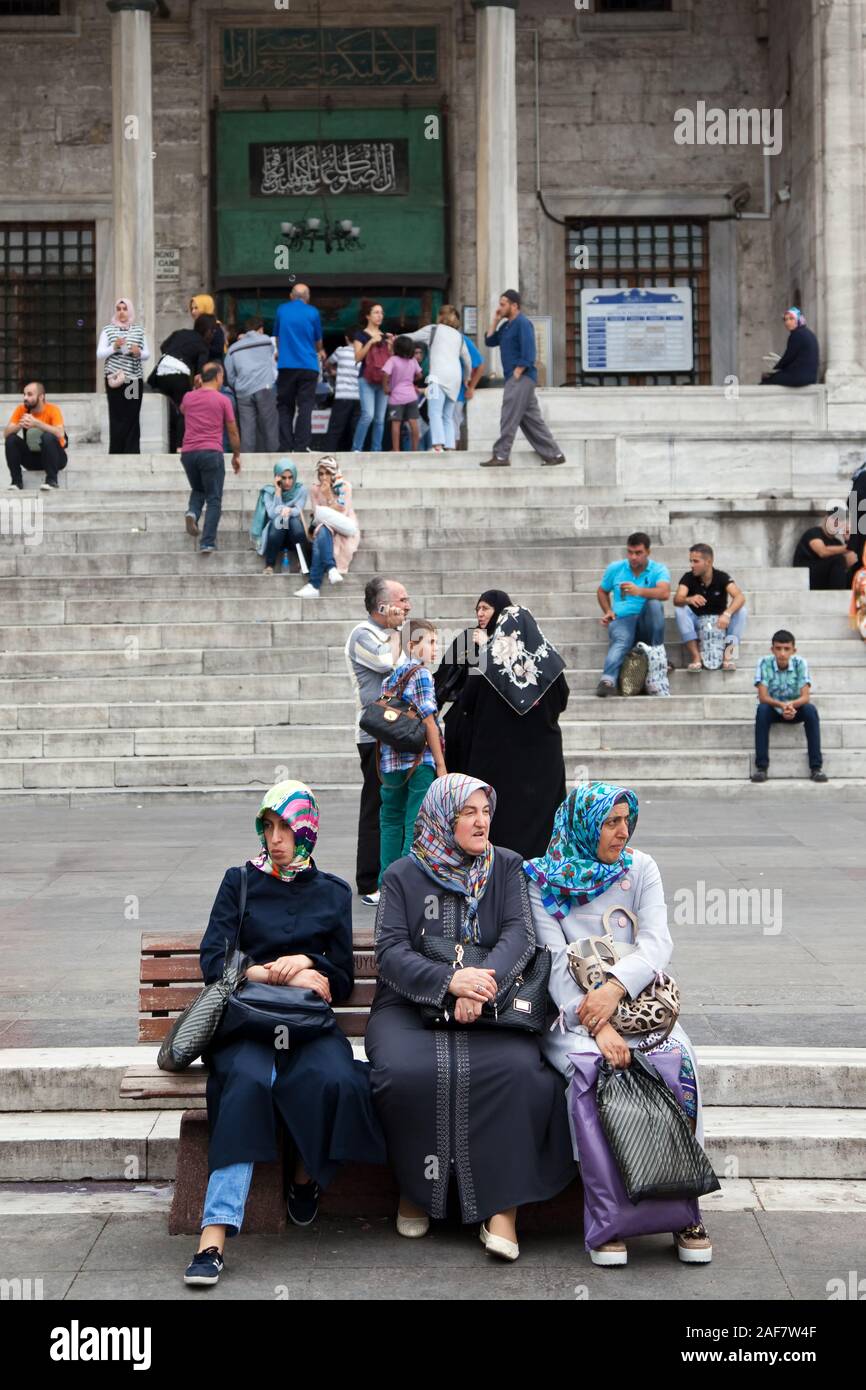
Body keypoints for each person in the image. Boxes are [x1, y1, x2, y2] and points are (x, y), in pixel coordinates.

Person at [183, 779, 386, 1287]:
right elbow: (213, 958)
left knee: (337, 1079)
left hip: (307, 1026)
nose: (275, 839)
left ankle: (304, 1176)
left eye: (286, 828)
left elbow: (339, 977)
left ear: (307, 831)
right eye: (268, 826)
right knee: (248, 1084)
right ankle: (214, 1234)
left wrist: (308, 962)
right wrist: (266, 970)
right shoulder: (240, 881)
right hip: (249, 1024)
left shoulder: (333, 892)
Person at [366, 774, 574, 1258]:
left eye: (485, 811)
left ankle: (503, 1208)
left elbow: (520, 936)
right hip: (409, 1004)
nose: (481, 822)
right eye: (468, 813)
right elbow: (390, 952)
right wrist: (447, 983)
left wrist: (478, 983)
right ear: (444, 818)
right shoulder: (402, 874)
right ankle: (419, 1189)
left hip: (495, 1004)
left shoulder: (507, 866)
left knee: (520, 1073)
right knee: (404, 1071)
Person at [525, 782, 713, 1267]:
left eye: (627, 820)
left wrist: (614, 991)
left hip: (635, 1004)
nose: (622, 832)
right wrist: (598, 1026)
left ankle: (683, 1206)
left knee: (679, 1064)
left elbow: (656, 943)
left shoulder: (640, 867)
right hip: (573, 1016)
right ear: (586, 826)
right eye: (611, 822)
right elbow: (550, 960)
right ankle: (610, 1211)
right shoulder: (542, 880)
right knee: (595, 1072)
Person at [451, 598, 569, 860]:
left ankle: (497, 868)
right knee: (541, 815)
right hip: (542, 760)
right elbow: (562, 700)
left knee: (499, 815)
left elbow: (466, 703)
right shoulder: (549, 663)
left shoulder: (485, 662)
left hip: (494, 757)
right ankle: (540, 869)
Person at [344, 577, 411, 905]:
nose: (407, 606)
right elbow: (389, 664)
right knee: (376, 805)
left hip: (397, 734)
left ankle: (395, 875)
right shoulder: (363, 634)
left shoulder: (393, 635)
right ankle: (369, 880)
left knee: (394, 805)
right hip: (374, 735)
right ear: (383, 606)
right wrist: (397, 633)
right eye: (402, 599)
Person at [378, 619, 447, 881]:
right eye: (429, 642)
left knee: (391, 821)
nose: (434, 648)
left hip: (390, 761)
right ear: (411, 645)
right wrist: (440, 764)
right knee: (415, 820)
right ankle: (408, 881)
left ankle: (388, 881)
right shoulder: (421, 674)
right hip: (419, 761)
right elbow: (428, 720)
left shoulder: (390, 678)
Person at [480, 289, 566, 468]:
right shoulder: (506, 326)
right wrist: (495, 320)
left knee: (509, 415)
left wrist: (518, 371)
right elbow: (489, 341)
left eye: (503, 304)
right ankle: (554, 454)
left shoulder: (523, 323)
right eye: (500, 304)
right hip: (517, 377)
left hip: (521, 377)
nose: (500, 307)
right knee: (531, 421)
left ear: (514, 305)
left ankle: (502, 456)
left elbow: (529, 351)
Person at [433, 588, 511, 774]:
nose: (480, 614)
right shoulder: (468, 637)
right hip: (464, 721)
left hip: (495, 725)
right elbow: (443, 675)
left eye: (486, 608)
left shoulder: (511, 641)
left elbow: (504, 680)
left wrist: (488, 647)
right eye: (477, 609)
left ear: (500, 610)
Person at [596, 533, 671, 697]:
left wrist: (639, 591)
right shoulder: (616, 568)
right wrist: (608, 611)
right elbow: (602, 591)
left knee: (655, 604)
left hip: (646, 621)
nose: (633, 557)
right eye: (630, 552)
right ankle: (607, 680)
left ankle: (658, 658)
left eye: (638, 553)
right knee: (622, 641)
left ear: (648, 552)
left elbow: (665, 593)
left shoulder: (658, 569)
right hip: (622, 619)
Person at [180, 363, 241, 555]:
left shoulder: (188, 397)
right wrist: (236, 455)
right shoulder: (223, 400)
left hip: (188, 453)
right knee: (214, 498)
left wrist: (195, 388)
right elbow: (232, 430)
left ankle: (192, 513)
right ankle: (207, 542)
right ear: (218, 377)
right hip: (211, 452)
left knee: (199, 488)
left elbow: (183, 410)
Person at [751, 630, 828, 783]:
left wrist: (791, 706)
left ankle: (816, 768)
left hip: (796, 709)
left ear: (794, 650)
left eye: (786, 649)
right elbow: (763, 697)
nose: (782, 653)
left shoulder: (800, 663)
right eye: (778, 648)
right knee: (762, 710)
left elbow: (805, 697)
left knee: (810, 710)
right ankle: (761, 768)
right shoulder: (763, 663)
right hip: (773, 708)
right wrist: (782, 705)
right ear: (772, 649)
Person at [673, 543, 748, 671]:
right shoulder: (688, 577)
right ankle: (696, 658)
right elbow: (677, 599)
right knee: (679, 609)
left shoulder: (721, 577)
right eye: (690, 561)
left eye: (696, 561)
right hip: (697, 621)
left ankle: (728, 658)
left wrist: (727, 614)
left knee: (742, 611)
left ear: (708, 562)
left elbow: (740, 597)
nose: (692, 565)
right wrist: (689, 599)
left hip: (720, 622)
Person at [407, 306, 472, 453]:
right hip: (455, 379)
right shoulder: (459, 336)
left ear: (440, 316)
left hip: (437, 378)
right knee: (447, 416)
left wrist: (395, 337)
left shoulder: (434, 330)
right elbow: (467, 361)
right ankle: (449, 447)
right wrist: (466, 379)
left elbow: (413, 336)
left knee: (434, 412)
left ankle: (437, 446)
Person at [295, 455, 359, 598]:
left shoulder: (344, 487)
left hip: (344, 527)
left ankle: (314, 584)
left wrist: (328, 495)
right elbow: (318, 514)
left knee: (322, 534)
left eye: (328, 473)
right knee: (323, 530)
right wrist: (322, 494)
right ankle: (331, 569)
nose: (324, 477)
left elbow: (343, 511)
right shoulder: (314, 489)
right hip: (325, 528)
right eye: (321, 474)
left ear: (334, 473)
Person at [153, 313, 214, 453]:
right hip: (178, 375)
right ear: (208, 330)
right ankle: (180, 447)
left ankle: (170, 447)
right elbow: (199, 374)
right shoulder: (203, 345)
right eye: (213, 331)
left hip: (161, 373)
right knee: (183, 411)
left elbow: (163, 346)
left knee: (170, 412)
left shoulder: (180, 332)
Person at [274, 284, 324, 452]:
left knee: (284, 406)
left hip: (286, 365)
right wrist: (319, 350)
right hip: (308, 365)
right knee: (305, 406)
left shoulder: (281, 310)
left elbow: (278, 337)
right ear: (307, 297)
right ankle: (302, 446)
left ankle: (286, 445)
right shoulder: (313, 312)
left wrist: (283, 353)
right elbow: (318, 341)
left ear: (291, 296)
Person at [96, 296, 150, 454]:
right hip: (115, 380)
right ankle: (117, 451)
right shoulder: (108, 330)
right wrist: (114, 347)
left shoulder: (139, 330)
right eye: (118, 309)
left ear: (130, 311)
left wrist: (138, 352)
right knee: (117, 414)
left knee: (132, 414)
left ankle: (132, 451)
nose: (121, 313)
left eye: (125, 309)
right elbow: (100, 354)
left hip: (133, 380)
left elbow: (147, 354)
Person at [224, 316, 279, 453]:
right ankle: (274, 457)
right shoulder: (266, 341)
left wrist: (236, 385)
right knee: (269, 425)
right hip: (265, 386)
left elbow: (229, 374)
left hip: (243, 391)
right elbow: (273, 355)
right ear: (260, 329)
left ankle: (248, 460)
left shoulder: (232, 349)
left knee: (247, 428)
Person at [4, 381, 67, 491]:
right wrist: (20, 424)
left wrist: (37, 423)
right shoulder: (21, 410)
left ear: (41, 396)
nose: (25, 398)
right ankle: (16, 482)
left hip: (57, 459)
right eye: (24, 394)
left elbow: (60, 433)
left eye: (29, 394)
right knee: (11, 439)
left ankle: (52, 481)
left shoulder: (52, 410)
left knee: (48, 436)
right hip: (32, 460)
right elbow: (6, 434)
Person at [351, 301, 393, 452]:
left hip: (383, 380)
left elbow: (391, 361)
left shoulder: (385, 336)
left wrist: (391, 346)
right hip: (366, 379)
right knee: (367, 415)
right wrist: (370, 342)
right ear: (367, 316)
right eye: (376, 312)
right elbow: (357, 358)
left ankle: (377, 450)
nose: (379, 315)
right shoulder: (360, 335)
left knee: (380, 419)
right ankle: (356, 448)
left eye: (381, 312)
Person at [259, 461, 309, 575]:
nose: (287, 482)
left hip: (294, 537)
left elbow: (298, 510)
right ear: (277, 477)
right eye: (284, 478)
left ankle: (303, 563)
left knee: (294, 522)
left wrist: (289, 510)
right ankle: (270, 564)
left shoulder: (300, 490)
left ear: (295, 476)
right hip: (276, 537)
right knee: (279, 521)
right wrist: (278, 492)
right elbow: (272, 514)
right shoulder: (269, 492)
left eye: (290, 478)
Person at [793, 509, 860, 590]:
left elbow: (851, 561)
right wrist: (850, 546)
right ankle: (838, 596)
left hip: (825, 580)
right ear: (825, 519)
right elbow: (822, 552)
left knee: (854, 570)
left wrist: (848, 540)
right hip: (807, 576)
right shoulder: (814, 533)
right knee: (838, 560)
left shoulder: (837, 542)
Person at [382, 334, 424, 451]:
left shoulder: (393, 360)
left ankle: (396, 450)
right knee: (413, 422)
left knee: (396, 424)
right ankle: (415, 449)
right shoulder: (413, 361)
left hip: (396, 398)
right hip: (411, 396)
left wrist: (385, 387)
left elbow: (385, 374)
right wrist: (410, 380)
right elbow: (420, 375)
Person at [760, 307, 819, 387]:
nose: (787, 322)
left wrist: (777, 366)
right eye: (786, 319)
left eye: (791, 319)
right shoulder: (807, 333)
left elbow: (789, 357)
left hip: (800, 377)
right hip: (810, 377)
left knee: (766, 380)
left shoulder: (796, 335)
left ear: (799, 319)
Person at [323, 333, 361, 451]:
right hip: (359, 397)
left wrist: (332, 371)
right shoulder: (364, 353)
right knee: (355, 429)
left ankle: (328, 455)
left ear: (346, 338)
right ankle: (356, 453)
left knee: (335, 429)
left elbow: (327, 363)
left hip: (342, 396)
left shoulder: (341, 351)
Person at [453, 332, 485, 443]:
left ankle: (451, 456)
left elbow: (480, 365)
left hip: (458, 392)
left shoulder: (463, 340)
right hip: (441, 390)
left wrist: (471, 387)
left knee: (454, 426)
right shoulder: (436, 338)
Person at [190, 293, 226, 361]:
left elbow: (218, 350)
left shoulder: (215, 327)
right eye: (192, 308)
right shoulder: (199, 326)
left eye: (196, 308)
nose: (193, 312)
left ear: (205, 307)